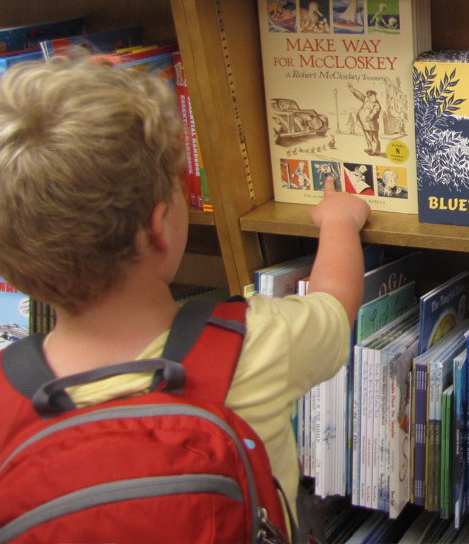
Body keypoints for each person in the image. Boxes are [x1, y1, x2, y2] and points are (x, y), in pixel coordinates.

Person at [0, 56, 371, 528]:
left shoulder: (6, 398)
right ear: (158, 226)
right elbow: (335, 302)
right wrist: (339, 220)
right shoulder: (254, 342)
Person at [348, 83, 382, 155]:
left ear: (373, 95)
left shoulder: (376, 104)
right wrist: (353, 90)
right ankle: (370, 148)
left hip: (372, 124)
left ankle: (376, 151)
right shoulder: (367, 101)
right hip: (365, 123)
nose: (367, 96)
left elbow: (376, 111)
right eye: (367, 95)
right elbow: (360, 96)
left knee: (374, 137)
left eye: (369, 95)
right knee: (368, 137)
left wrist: (370, 116)